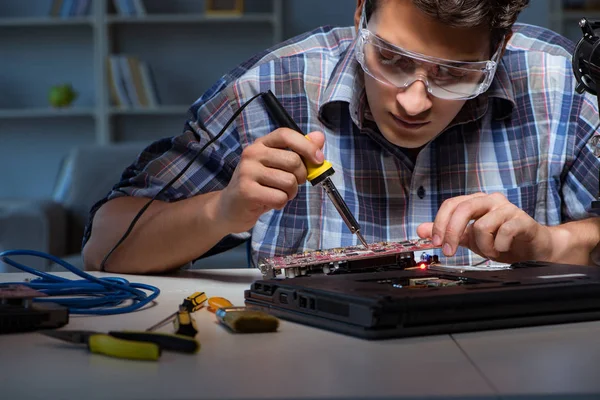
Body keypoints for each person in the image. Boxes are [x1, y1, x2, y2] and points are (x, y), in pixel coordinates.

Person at [82, 0, 600, 274]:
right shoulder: (270, 88)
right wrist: (224, 211)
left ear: (500, 46)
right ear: (359, 18)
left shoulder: (560, 85)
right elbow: (104, 247)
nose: (414, 102)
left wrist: (549, 243)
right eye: (391, 59)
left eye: (454, 73)